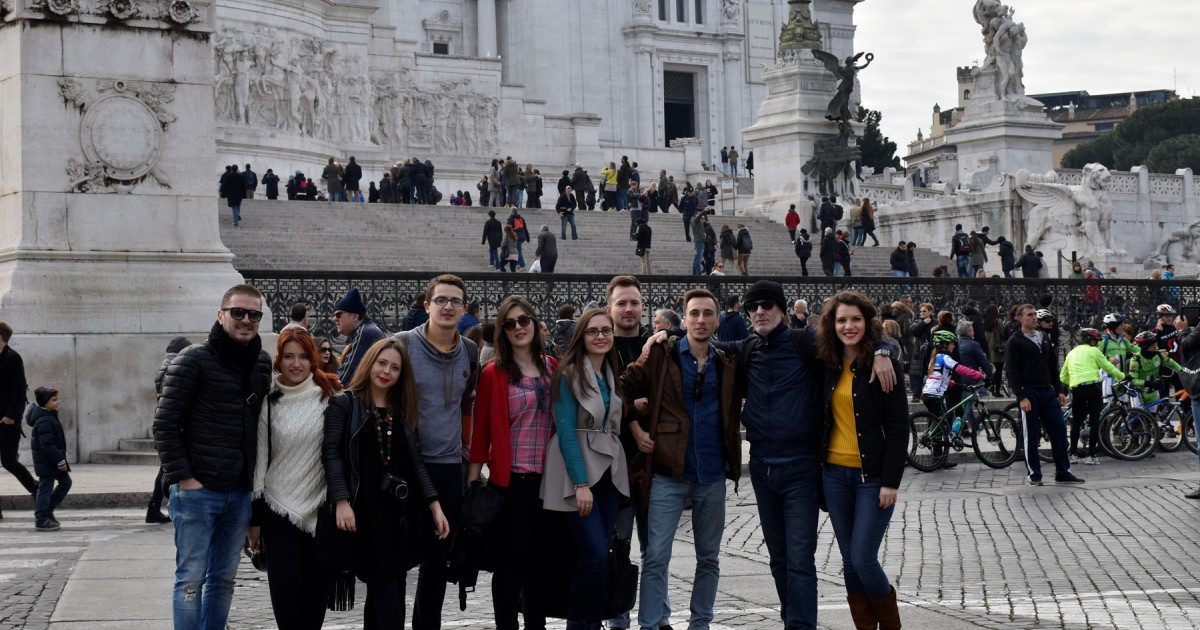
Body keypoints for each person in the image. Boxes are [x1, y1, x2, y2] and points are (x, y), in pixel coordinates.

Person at [646, 280, 895, 630]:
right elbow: (701, 339)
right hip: (763, 471)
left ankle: (801, 625)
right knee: (779, 560)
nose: (759, 311)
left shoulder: (805, 341)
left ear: (781, 308)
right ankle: (789, 618)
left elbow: (854, 334)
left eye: (767, 305)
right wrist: (665, 334)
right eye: (752, 307)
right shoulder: (745, 349)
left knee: (800, 560)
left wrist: (883, 350)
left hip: (801, 470)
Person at [154, 284, 273, 630]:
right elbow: (164, 423)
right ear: (221, 316)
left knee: (223, 579)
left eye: (254, 314)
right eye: (238, 312)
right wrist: (185, 478)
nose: (246, 320)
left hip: (238, 492)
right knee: (191, 579)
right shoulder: (193, 359)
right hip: (197, 491)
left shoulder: (262, 363)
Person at [620, 288, 741, 630]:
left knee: (709, 559)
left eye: (707, 313)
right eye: (694, 313)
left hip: (713, 472)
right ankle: (649, 625)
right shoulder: (662, 353)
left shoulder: (727, 360)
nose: (701, 320)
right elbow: (622, 388)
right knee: (656, 556)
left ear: (718, 319)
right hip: (667, 471)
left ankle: (700, 623)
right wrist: (633, 426)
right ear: (684, 318)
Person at [323, 338, 450, 630]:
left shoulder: (400, 410)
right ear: (369, 363)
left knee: (388, 592)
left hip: (398, 515)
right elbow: (331, 454)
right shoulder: (344, 403)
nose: (386, 371)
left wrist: (434, 504)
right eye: (382, 363)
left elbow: (416, 462)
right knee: (386, 592)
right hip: (364, 512)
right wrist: (341, 501)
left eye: (395, 367)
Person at [392, 275, 480, 630]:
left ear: (463, 309)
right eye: (441, 300)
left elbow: (465, 404)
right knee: (395, 556)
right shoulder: (401, 345)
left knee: (437, 558)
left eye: (455, 301)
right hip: (403, 464)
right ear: (426, 306)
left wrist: (465, 454)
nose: (448, 307)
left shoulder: (470, 352)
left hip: (447, 466)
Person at [815, 292, 906, 630]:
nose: (848, 326)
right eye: (841, 320)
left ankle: (891, 626)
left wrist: (890, 481)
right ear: (831, 325)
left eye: (855, 319)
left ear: (867, 323)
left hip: (872, 478)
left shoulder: (883, 364)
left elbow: (899, 427)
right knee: (849, 562)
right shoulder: (826, 362)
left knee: (863, 558)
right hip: (834, 476)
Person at [468, 297, 557, 630]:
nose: (519, 327)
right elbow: (480, 433)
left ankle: (537, 625)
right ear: (502, 332)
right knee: (512, 563)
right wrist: (473, 481)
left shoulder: (552, 366)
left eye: (524, 320)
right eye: (510, 323)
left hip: (551, 483)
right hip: (513, 482)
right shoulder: (494, 373)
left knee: (540, 563)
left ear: (534, 323)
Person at [247, 328, 342, 630]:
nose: (296, 364)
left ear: (313, 359)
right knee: (287, 602)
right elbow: (259, 464)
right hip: (278, 511)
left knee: (315, 603)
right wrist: (254, 521)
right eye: (288, 356)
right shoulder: (269, 400)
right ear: (279, 360)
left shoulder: (332, 396)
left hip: (322, 514)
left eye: (303, 356)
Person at [541, 308, 630, 629]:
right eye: (593, 331)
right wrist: (580, 484)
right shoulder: (569, 374)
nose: (601, 336)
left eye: (606, 330)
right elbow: (565, 432)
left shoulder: (610, 371)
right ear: (582, 336)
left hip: (608, 471)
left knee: (601, 560)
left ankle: (591, 625)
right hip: (575, 473)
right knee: (592, 555)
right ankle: (577, 625)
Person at [1005, 304, 1083, 486]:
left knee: (1059, 431)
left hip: (1047, 391)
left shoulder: (1044, 338)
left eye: (1034, 315)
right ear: (1020, 318)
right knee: (1032, 436)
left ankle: (1063, 471)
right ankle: (1034, 474)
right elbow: (1011, 370)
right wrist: (1020, 396)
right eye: (1029, 315)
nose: (1034, 318)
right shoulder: (1015, 341)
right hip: (1029, 391)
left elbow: (1053, 366)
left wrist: (1059, 390)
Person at [1059, 329, 1124, 466]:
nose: (1098, 344)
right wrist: (1124, 376)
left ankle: (1073, 454)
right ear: (1092, 341)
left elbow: (1063, 375)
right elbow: (1108, 367)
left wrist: (1067, 384)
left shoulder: (1071, 353)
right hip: (1093, 387)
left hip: (1077, 388)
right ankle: (1091, 456)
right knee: (1094, 422)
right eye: (1097, 342)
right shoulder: (1094, 351)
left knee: (1076, 422)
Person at [148, 336, 193, 524]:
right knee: (169, 470)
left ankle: (154, 506)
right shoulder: (176, 370)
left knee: (165, 468)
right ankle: (156, 506)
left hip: (169, 427)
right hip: (176, 428)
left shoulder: (163, 369)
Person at [0, 321, 38, 517]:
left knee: (8, 461)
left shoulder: (12, 358)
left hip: (7, 421)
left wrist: (10, 417)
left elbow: (19, 390)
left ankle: (36, 489)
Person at [27, 387, 70, 532]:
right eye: (54, 400)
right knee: (45, 489)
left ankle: (47, 512)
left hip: (52, 460)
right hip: (48, 461)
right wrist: (60, 461)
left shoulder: (49, 415)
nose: (58, 402)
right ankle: (41, 519)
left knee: (65, 482)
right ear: (45, 402)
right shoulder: (45, 419)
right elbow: (47, 445)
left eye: (57, 399)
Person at [333, 288, 386, 386]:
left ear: (354, 317)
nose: (335, 319)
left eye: (338, 314)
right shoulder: (368, 329)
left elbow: (345, 377)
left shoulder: (364, 333)